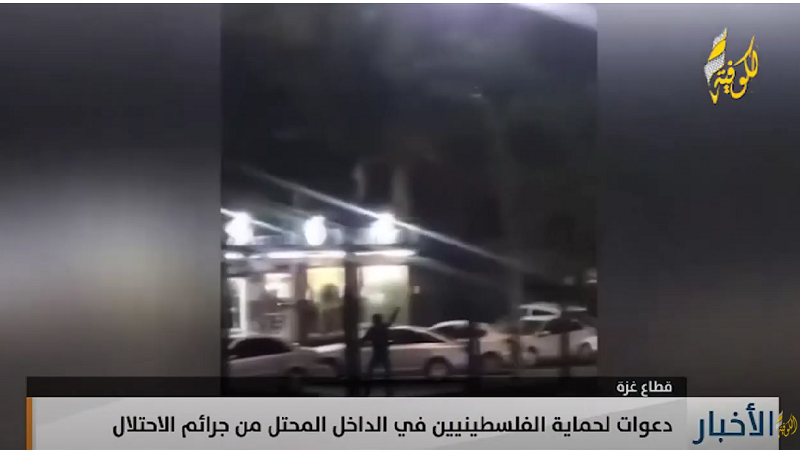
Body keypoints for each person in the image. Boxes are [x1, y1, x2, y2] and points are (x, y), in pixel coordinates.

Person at [361, 307, 400, 395]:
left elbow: (364, 339)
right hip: (384, 352)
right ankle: (388, 390)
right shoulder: (383, 327)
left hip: (377, 352)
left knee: (370, 371)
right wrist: (396, 312)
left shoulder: (372, 329)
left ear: (374, 320)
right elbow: (391, 320)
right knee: (387, 371)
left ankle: (367, 389)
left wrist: (357, 343)